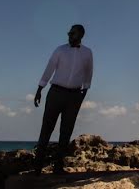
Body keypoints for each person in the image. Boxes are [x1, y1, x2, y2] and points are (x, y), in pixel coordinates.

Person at [33, 24, 93, 175]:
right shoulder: (60, 50)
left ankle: (58, 167)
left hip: (74, 96)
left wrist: (83, 93)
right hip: (55, 93)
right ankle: (37, 167)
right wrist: (40, 88)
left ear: (80, 35)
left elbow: (88, 73)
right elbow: (49, 68)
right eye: (69, 33)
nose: (69, 35)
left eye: (72, 33)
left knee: (66, 132)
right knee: (46, 129)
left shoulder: (87, 53)